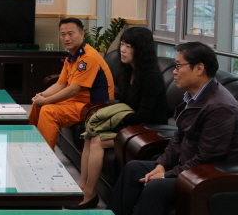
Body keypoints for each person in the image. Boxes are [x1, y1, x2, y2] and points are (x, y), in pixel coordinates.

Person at [108, 41, 238, 215]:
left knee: (156, 186)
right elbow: (178, 137)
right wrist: (162, 165)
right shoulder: (193, 96)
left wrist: (166, 175)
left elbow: (208, 158)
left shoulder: (220, 107)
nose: (174, 71)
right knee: (133, 169)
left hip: (213, 177)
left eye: (178, 66)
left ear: (199, 68)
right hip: (189, 168)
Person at [68, 27, 167, 210]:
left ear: (141, 49)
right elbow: (123, 105)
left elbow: (144, 115)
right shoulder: (129, 70)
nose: (122, 50)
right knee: (90, 135)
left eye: (129, 46)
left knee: (97, 140)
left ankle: (90, 195)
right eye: (122, 44)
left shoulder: (151, 76)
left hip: (147, 129)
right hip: (131, 124)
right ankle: (82, 188)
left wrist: (114, 121)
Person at [29, 17, 115, 150]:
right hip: (77, 102)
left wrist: (45, 101)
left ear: (81, 34)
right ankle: (28, 145)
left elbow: (74, 90)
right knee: (37, 105)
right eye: (63, 34)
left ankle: (43, 156)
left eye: (70, 33)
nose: (66, 38)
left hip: (94, 106)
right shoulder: (72, 56)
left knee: (48, 110)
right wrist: (41, 96)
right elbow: (60, 84)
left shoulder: (88, 57)